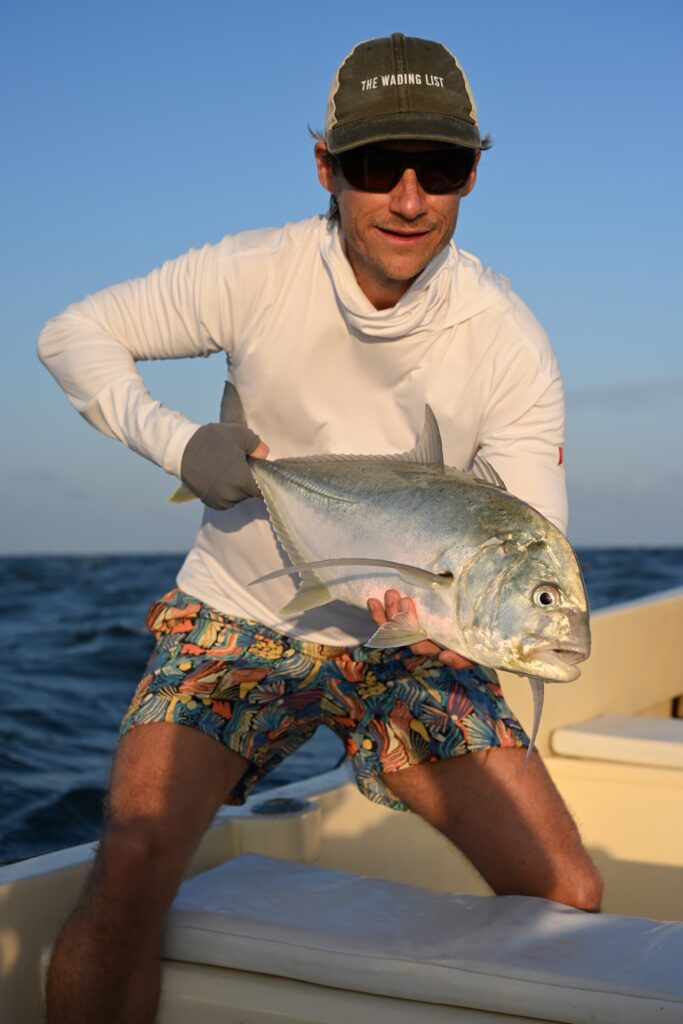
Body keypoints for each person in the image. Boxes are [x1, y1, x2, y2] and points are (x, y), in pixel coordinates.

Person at [38, 33, 602, 1024]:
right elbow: (74, 335)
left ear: (475, 172)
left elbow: (524, 536)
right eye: (376, 165)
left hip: (415, 637)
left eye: (443, 167)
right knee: (128, 857)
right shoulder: (254, 273)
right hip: (241, 613)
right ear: (325, 168)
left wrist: (443, 616)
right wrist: (183, 449)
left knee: (569, 896)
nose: (408, 197)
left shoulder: (503, 340)